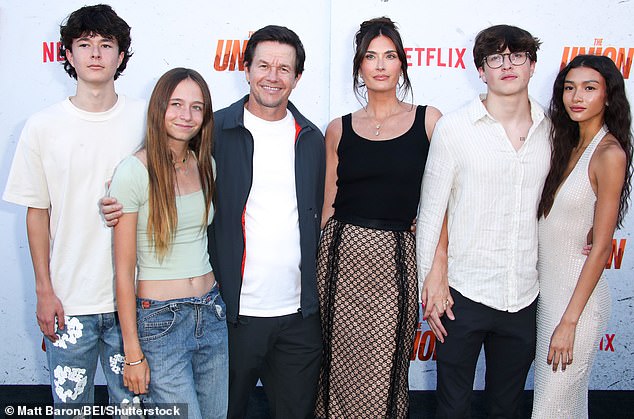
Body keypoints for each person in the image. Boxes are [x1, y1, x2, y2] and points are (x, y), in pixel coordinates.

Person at [102, 25, 325, 419]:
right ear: (246, 69)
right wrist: (116, 201)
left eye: (284, 68)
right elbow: (154, 172)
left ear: (297, 77)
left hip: (296, 318)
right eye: (264, 65)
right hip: (231, 314)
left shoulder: (311, 138)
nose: (273, 76)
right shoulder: (214, 133)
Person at [2, 4, 145, 410]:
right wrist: (43, 291)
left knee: (132, 411)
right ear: (67, 54)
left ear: (121, 55)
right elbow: (37, 213)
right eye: (84, 44)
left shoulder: (145, 118)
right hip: (68, 304)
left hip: (132, 304)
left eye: (106, 44)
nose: (95, 53)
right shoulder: (41, 126)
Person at [416, 25, 550, 418]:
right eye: (495, 57)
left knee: (507, 406)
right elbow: (431, 212)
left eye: (517, 56)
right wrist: (432, 284)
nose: (506, 65)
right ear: (481, 70)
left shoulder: (553, 130)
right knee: (452, 406)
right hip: (462, 293)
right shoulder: (454, 129)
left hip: (524, 294)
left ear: (532, 65)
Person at [315, 17, 441, 418]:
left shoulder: (429, 121)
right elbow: (328, 204)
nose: (381, 65)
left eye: (390, 56)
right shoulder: (338, 129)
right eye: (371, 57)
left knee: (386, 370)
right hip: (340, 260)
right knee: (336, 366)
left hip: (397, 259)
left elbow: (448, 196)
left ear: (403, 64)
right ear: (359, 67)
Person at [108, 68, 228, 418]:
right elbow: (123, 272)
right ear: (159, 107)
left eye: (196, 106)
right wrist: (133, 353)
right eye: (176, 104)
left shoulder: (206, 165)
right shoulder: (134, 171)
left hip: (211, 312)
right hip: (160, 323)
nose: (186, 115)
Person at [532, 55, 632, 418]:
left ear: (608, 96)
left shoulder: (609, 153)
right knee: (566, 407)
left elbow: (602, 247)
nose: (577, 96)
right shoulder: (564, 144)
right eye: (570, 88)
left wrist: (569, 322)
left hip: (578, 305)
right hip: (550, 297)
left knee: (550, 409)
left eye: (590, 88)